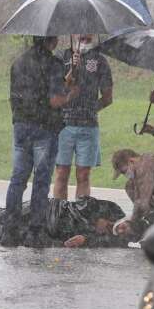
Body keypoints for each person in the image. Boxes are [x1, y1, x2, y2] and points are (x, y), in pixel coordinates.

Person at [2, 35, 79, 248]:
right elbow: (54, 100)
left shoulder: (18, 62)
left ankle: (10, 231)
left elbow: (30, 92)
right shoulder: (53, 63)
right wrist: (70, 93)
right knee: (41, 180)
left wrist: (64, 80)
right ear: (51, 41)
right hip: (44, 128)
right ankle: (35, 232)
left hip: (21, 126)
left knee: (18, 179)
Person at [0, 196, 130, 248]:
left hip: (51, 229)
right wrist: (92, 224)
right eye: (124, 225)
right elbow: (84, 203)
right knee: (4, 215)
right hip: (51, 209)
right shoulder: (112, 209)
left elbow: (93, 243)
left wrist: (84, 239)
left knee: (7, 233)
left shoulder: (116, 241)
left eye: (124, 232)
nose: (120, 229)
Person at [53, 34, 114, 201]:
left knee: (84, 175)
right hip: (62, 126)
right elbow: (54, 91)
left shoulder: (100, 60)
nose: (84, 35)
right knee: (61, 173)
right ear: (72, 34)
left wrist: (90, 109)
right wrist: (70, 71)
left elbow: (108, 98)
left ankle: (80, 215)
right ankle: (59, 215)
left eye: (88, 31)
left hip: (89, 127)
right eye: (80, 31)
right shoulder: (60, 57)